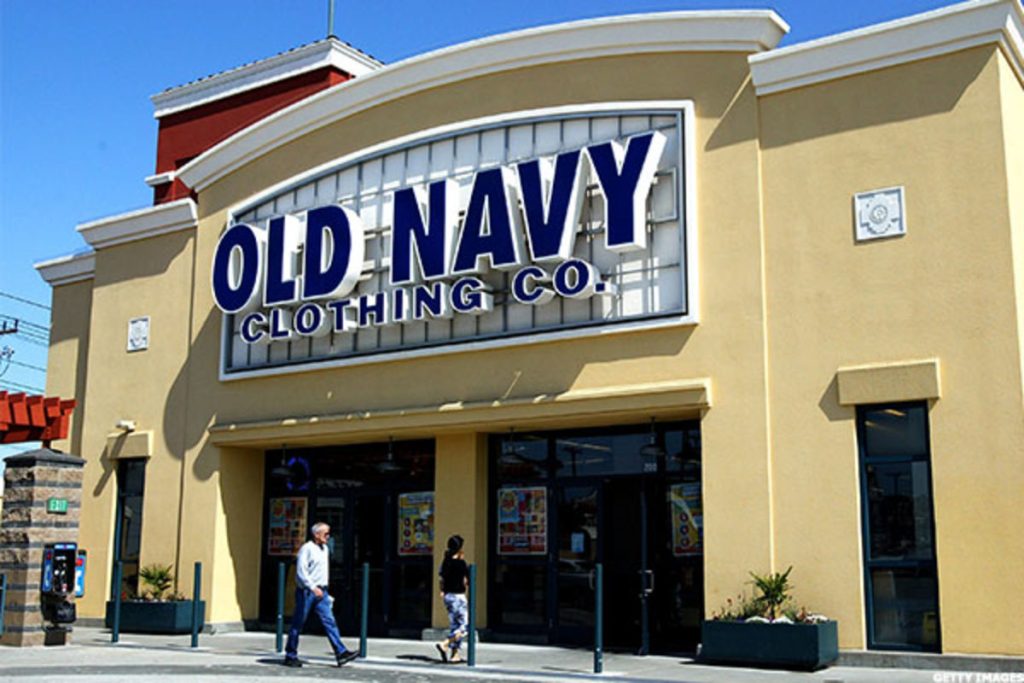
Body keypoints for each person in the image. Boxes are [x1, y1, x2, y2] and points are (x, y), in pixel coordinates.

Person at [284, 522, 358, 668]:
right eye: (325, 533)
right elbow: (301, 571)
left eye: (329, 533)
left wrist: (325, 589)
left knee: (330, 621)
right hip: (307, 591)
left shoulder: (325, 549)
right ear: (316, 534)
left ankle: (341, 652)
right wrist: (312, 587)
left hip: (322, 591)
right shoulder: (307, 549)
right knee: (298, 623)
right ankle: (290, 655)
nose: (328, 536)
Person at [436, 534, 469, 663]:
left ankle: (455, 655)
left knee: (455, 626)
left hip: (448, 596)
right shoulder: (461, 564)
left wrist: (442, 591)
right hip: (458, 596)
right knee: (464, 627)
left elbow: (441, 579)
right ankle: (445, 643)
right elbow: (467, 580)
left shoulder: (445, 562)